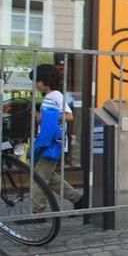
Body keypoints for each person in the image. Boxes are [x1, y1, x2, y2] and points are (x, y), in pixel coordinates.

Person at [30, 64, 82, 213]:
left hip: (53, 143)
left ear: (46, 80)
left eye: (37, 81)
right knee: (48, 175)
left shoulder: (56, 95)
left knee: (39, 176)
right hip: (47, 141)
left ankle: (38, 211)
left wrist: (45, 117)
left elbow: (69, 116)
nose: (35, 85)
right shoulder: (49, 97)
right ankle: (78, 199)